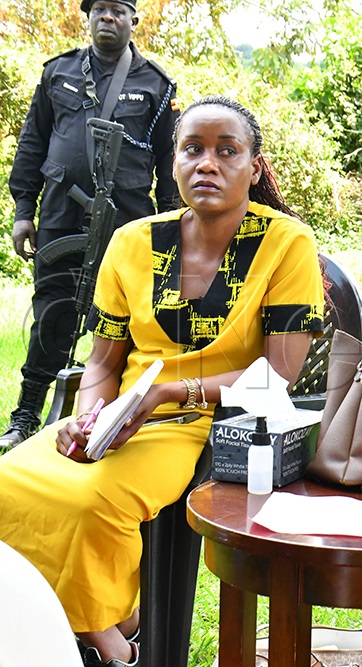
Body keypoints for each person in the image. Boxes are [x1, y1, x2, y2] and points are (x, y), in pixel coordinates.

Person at [0, 95, 324, 667]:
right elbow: (101, 364)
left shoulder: (286, 245)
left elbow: (278, 374)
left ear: (254, 165)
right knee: (7, 482)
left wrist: (171, 393)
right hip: (124, 413)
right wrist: (89, 417)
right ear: (171, 162)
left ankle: (112, 643)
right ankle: (91, 626)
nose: (208, 164)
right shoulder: (133, 242)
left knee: (91, 503)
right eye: (192, 149)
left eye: (228, 151)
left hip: (213, 421)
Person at [2, 0, 179, 450]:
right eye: (99, 9)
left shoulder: (156, 86)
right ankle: (25, 417)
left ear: (133, 20)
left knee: (126, 323)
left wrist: (174, 227)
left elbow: (169, 159)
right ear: (88, 17)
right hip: (61, 219)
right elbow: (33, 143)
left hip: (129, 226)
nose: (107, 18)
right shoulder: (57, 73)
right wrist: (25, 210)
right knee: (51, 317)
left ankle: (109, 416)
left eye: (118, 10)